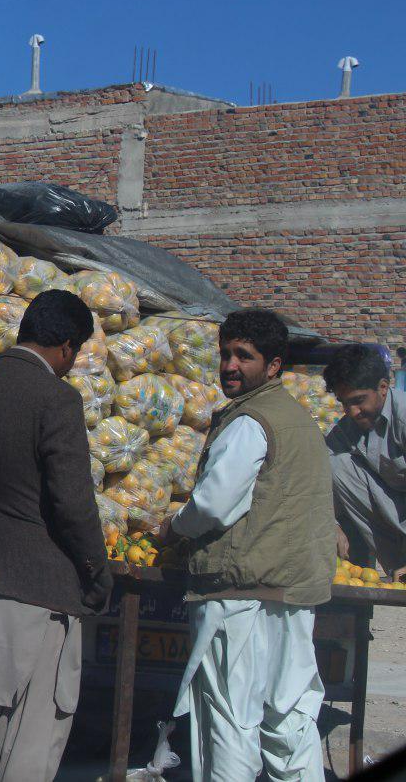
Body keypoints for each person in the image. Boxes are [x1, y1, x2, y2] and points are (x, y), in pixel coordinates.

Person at [0, 288, 112, 782]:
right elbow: (72, 503)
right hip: (39, 578)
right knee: (31, 726)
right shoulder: (56, 398)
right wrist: (96, 573)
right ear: (67, 346)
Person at [159, 309, 335, 781]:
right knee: (290, 719)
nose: (230, 365)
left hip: (239, 597)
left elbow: (213, 506)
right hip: (293, 594)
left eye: (245, 356)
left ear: (273, 366)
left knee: (231, 719)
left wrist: (174, 527)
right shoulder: (300, 421)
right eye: (226, 354)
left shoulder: (249, 422)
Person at [323, 344, 406, 579]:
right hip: (396, 525)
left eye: (359, 400)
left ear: (382, 387)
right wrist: (332, 525)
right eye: (344, 403)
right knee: (334, 465)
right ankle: (398, 568)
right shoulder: (345, 431)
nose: (352, 411)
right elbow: (319, 481)